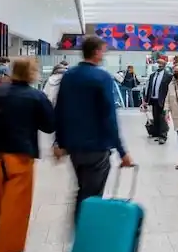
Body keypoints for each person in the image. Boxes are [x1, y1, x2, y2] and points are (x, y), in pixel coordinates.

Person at [0, 58, 55, 252]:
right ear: (31, 73)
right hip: (20, 158)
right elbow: (49, 124)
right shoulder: (35, 96)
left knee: (3, 205)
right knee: (16, 210)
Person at [54, 36, 132, 224]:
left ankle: (80, 230)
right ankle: (85, 236)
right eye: (103, 50)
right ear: (96, 52)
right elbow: (109, 117)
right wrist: (122, 151)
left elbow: (59, 109)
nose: (103, 54)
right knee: (91, 195)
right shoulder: (102, 76)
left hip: (74, 147)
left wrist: (59, 141)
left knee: (83, 189)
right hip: (96, 147)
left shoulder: (69, 75)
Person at [142, 57, 172, 144]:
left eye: (161, 64)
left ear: (164, 65)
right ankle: (158, 134)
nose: (159, 66)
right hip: (153, 99)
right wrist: (146, 100)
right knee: (156, 117)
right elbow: (149, 88)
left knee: (163, 118)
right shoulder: (152, 75)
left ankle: (163, 136)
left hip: (163, 100)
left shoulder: (168, 76)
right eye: (158, 64)